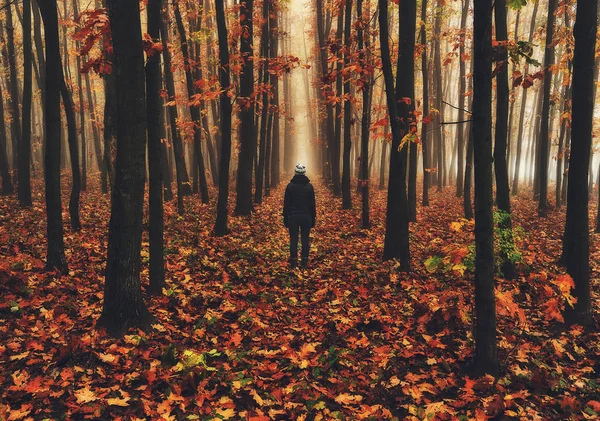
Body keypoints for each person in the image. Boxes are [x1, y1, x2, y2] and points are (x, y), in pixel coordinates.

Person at [283, 164, 316, 268]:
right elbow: (312, 204)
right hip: (306, 217)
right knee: (305, 239)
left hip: (293, 217)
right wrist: (313, 217)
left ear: (295, 172)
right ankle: (304, 261)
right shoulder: (309, 187)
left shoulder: (290, 186)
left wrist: (285, 217)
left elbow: (286, 204)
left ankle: (293, 262)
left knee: (293, 239)